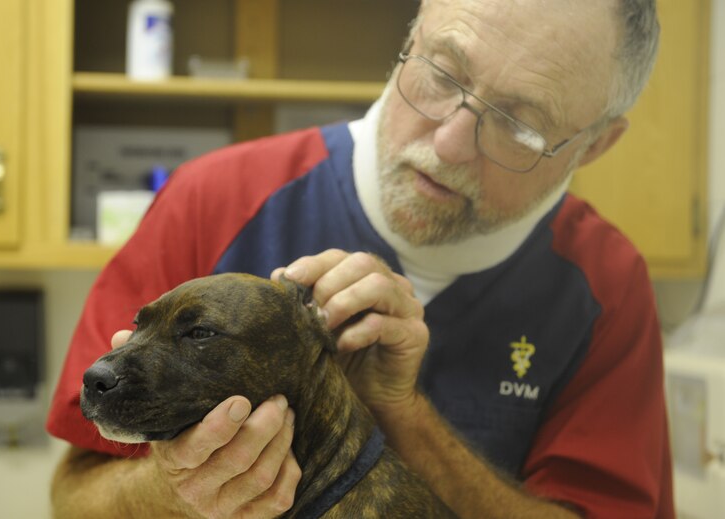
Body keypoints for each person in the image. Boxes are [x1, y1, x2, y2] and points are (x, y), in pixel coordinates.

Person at [47, 0, 674, 517]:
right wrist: (172, 493)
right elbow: (72, 496)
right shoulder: (212, 200)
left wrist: (404, 418)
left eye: (519, 121)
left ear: (593, 145)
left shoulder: (605, 287)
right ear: (413, 32)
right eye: (442, 73)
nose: (451, 142)